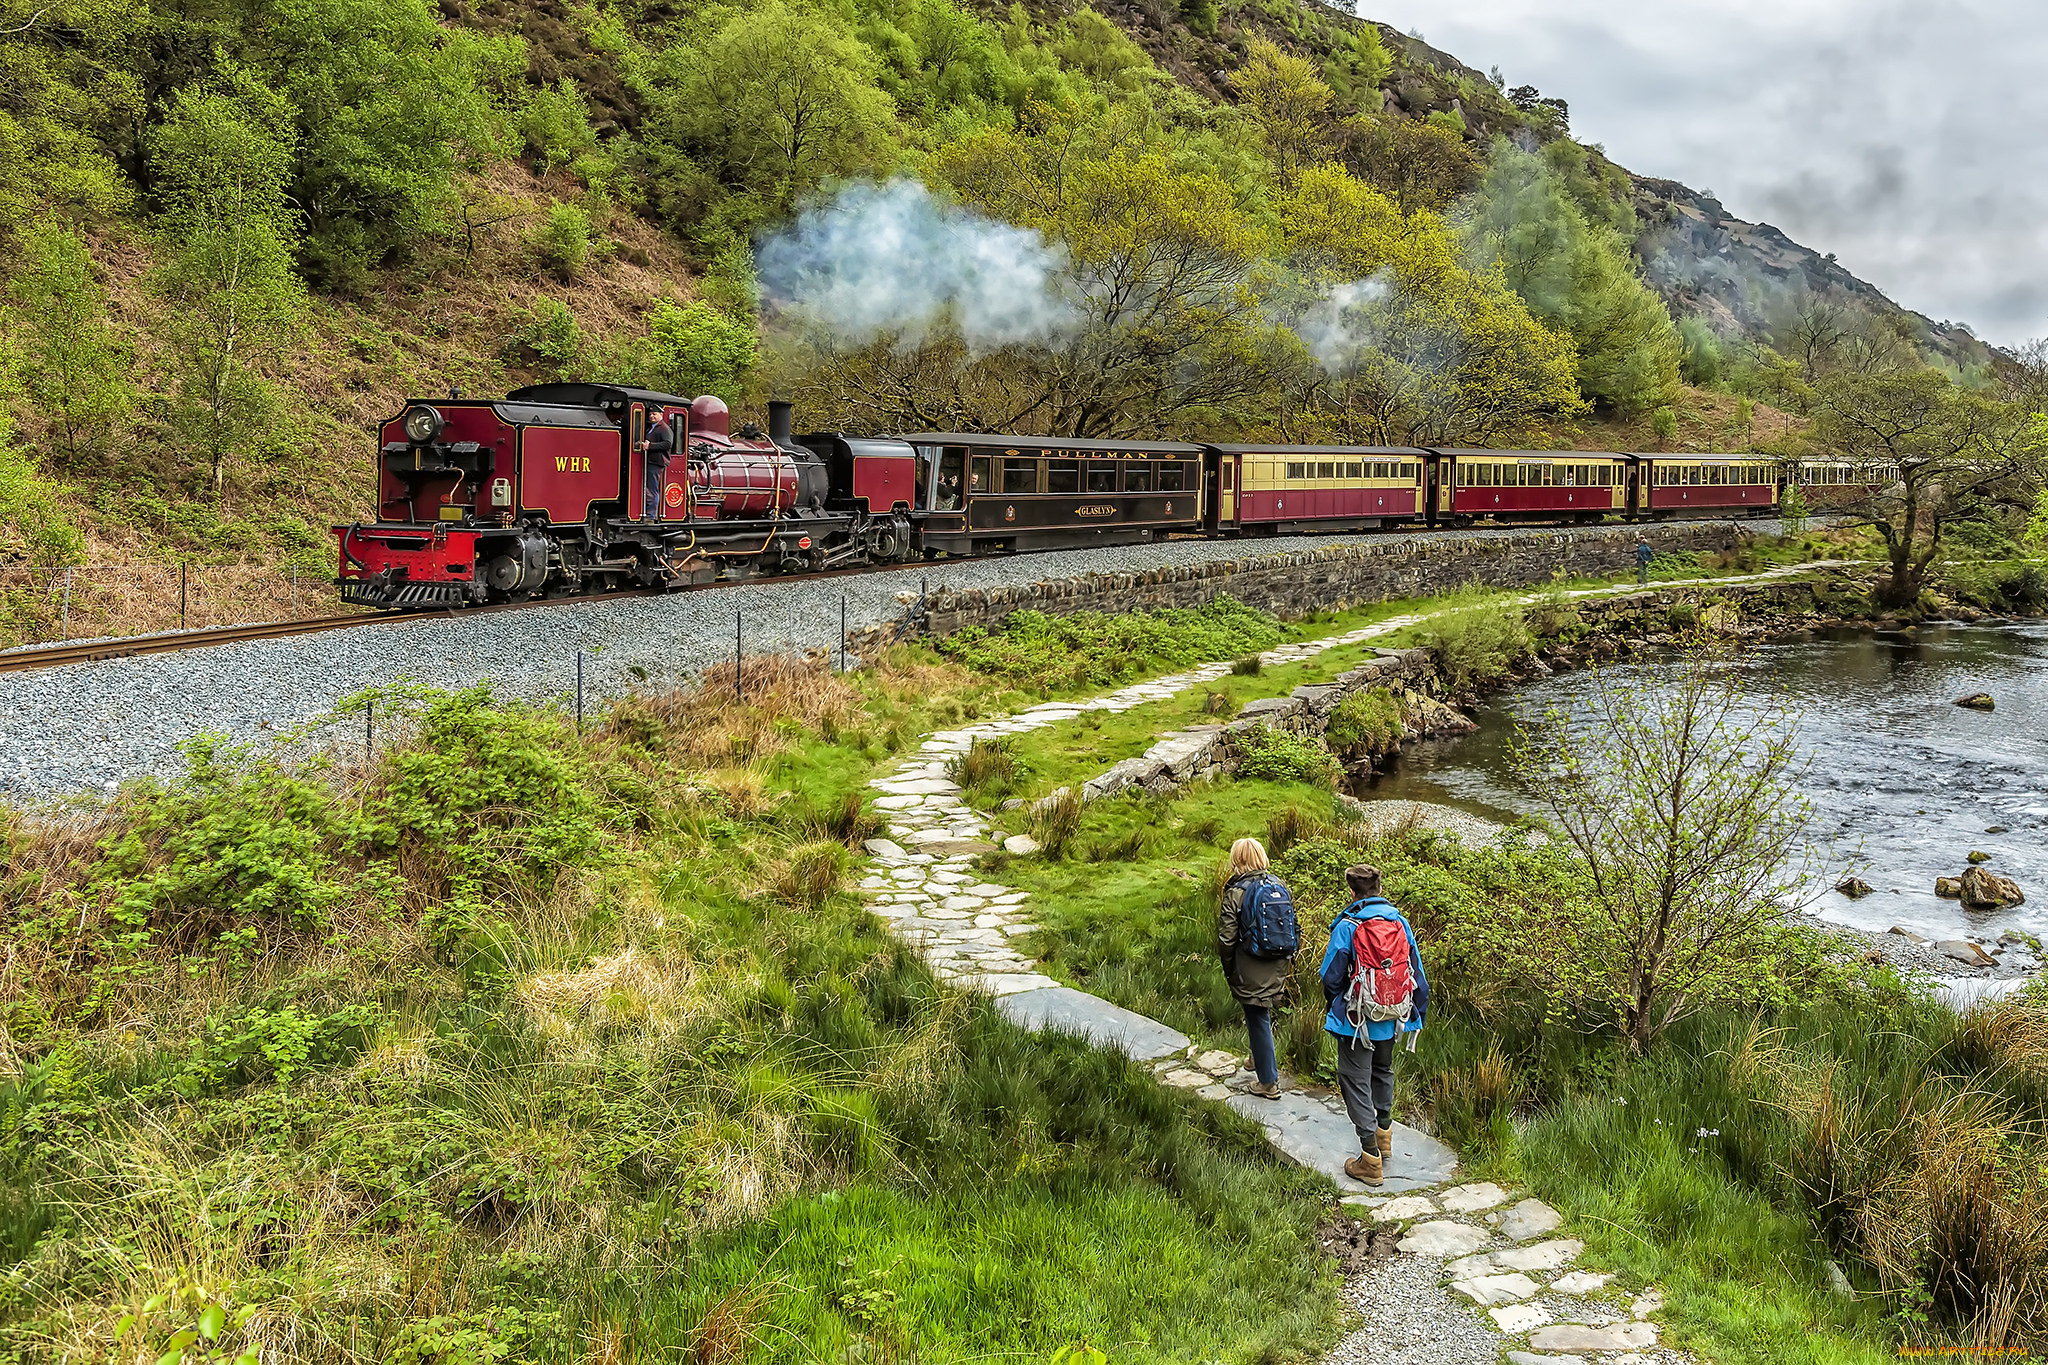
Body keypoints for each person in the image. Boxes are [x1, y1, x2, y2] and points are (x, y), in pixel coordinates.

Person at [1319, 864, 1428, 1187]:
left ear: (1352, 891)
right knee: (1382, 1071)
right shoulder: (1399, 922)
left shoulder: (1348, 925)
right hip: (1393, 1016)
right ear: (1379, 888)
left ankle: (1369, 1160)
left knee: (1354, 1080)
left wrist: (1336, 1006)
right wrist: (1414, 1014)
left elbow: (1330, 976)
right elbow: (1417, 974)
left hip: (1357, 1020)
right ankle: (1384, 1137)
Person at [1217, 837, 1291, 1099]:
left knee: (1257, 1015)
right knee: (1259, 1011)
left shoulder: (1237, 892)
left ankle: (1268, 1082)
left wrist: (1229, 967)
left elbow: (1227, 938)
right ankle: (1255, 1057)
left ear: (1237, 860)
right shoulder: (1279, 885)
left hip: (1250, 961)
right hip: (1279, 960)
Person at [641, 409, 675, 522]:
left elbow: (667, 444)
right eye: (650, 414)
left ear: (661, 414)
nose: (651, 416)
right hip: (650, 461)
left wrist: (650, 446)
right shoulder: (652, 428)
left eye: (654, 414)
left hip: (657, 462)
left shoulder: (664, 428)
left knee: (652, 489)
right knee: (648, 488)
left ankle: (651, 516)